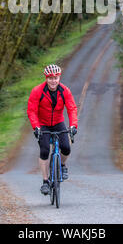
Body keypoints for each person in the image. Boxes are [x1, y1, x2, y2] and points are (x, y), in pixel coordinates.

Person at [27, 64, 78, 195]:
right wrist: (36, 127)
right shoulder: (37, 91)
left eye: (55, 78)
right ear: (46, 78)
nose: (53, 81)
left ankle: (62, 165)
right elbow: (31, 111)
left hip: (58, 122)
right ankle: (45, 182)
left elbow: (71, 108)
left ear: (59, 77)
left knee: (66, 147)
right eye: (50, 78)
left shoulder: (65, 90)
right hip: (43, 124)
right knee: (44, 150)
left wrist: (73, 125)